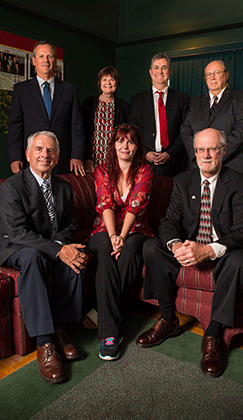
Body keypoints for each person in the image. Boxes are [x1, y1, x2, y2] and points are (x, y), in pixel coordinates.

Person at [136, 128, 243, 378]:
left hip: (223, 251)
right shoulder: (182, 180)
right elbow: (169, 222)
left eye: (212, 149)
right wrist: (177, 245)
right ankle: (167, 319)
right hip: (188, 246)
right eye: (201, 149)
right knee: (152, 246)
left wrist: (207, 250)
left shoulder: (242, 184)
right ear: (194, 153)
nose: (206, 155)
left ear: (223, 151)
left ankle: (213, 334)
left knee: (240, 260)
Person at [0, 131, 89, 384]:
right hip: (14, 245)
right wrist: (57, 250)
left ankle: (59, 328)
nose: (44, 155)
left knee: (76, 255)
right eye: (39, 149)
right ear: (27, 154)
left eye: (50, 151)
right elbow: (18, 232)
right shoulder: (11, 187)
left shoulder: (64, 187)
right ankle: (45, 343)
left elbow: (70, 224)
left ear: (57, 158)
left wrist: (61, 247)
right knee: (35, 257)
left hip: (45, 244)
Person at [88, 124, 153, 361]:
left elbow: (136, 204)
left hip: (135, 229)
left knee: (129, 254)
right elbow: (105, 203)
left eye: (130, 141)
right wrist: (113, 236)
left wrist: (122, 238)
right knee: (105, 252)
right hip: (103, 229)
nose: (125, 146)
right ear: (113, 144)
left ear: (137, 146)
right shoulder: (102, 170)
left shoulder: (145, 170)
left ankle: (103, 320)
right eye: (120, 141)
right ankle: (111, 333)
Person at [8, 40, 85, 176]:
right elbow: (15, 127)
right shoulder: (21, 90)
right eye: (41, 56)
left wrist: (77, 155)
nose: (46, 61)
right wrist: (15, 157)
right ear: (34, 61)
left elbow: (76, 126)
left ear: (55, 61)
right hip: (32, 159)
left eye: (50, 56)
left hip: (62, 160)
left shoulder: (69, 90)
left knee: (61, 195)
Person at [179, 60, 243, 174]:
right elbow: (185, 130)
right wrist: (199, 154)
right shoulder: (195, 102)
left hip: (230, 166)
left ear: (226, 75)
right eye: (209, 74)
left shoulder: (241, 99)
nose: (212, 77)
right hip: (198, 167)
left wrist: (216, 155)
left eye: (217, 72)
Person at [128, 53, 189, 177]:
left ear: (169, 72)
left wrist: (170, 154)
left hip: (174, 164)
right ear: (150, 72)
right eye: (156, 67)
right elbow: (132, 131)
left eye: (164, 68)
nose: (160, 71)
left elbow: (186, 131)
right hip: (144, 164)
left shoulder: (182, 99)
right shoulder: (137, 100)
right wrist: (145, 153)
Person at [82, 66, 129, 172]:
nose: (108, 83)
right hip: (92, 159)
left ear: (116, 83)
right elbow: (82, 132)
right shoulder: (88, 103)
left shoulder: (124, 106)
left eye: (112, 80)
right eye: (105, 80)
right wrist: (86, 157)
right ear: (99, 82)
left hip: (115, 160)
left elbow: (126, 136)